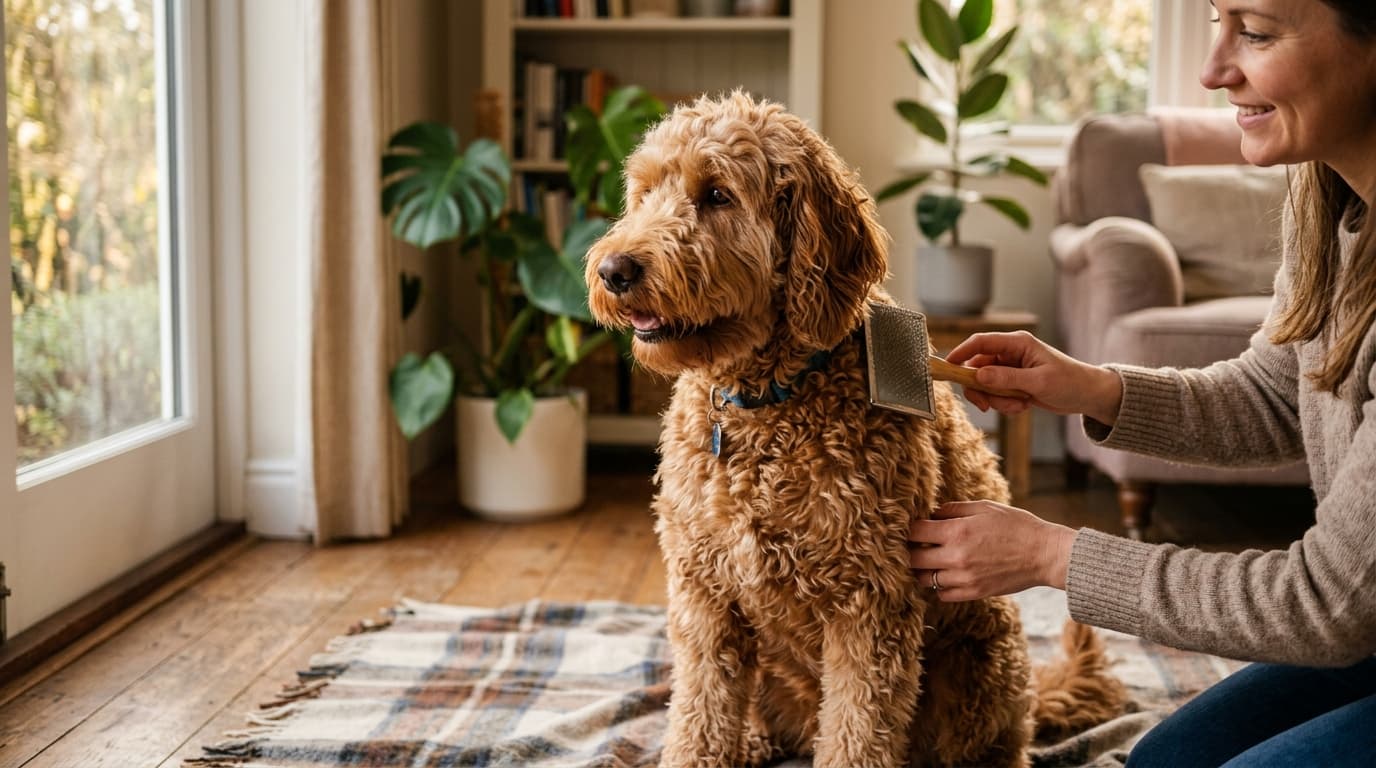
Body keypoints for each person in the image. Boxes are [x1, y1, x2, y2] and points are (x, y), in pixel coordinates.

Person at [907, 1, 1376, 765]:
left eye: (1254, 32)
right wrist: (1090, 388)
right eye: (1218, 19)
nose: (1212, 69)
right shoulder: (1328, 198)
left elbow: (1326, 605)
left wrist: (1050, 557)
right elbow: (1276, 393)